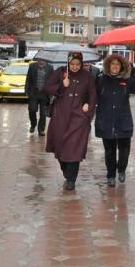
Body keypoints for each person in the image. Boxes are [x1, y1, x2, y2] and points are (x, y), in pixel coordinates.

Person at [45, 52, 98, 191]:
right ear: (68, 63)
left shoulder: (87, 77)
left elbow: (92, 95)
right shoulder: (60, 72)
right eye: (72, 64)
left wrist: (88, 106)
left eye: (78, 64)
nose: (75, 67)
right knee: (60, 146)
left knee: (75, 148)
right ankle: (65, 170)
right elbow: (48, 88)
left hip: (79, 118)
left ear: (81, 64)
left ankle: (71, 180)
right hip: (61, 116)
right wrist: (62, 85)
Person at [94, 54, 135, 187]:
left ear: (121, 67)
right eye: (112, 64)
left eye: (118, 64)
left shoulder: (127, 81)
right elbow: (91, 95)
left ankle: (121, 169)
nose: (115, 66)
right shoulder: (100, 80)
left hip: (123, 120)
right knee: (109, 150)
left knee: (124, 149)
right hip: (106, 119)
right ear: (108, 66)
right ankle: (111, 175)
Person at [25, 58, 54, 136]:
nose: (41, 62)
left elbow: (52, 81)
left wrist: (52, 93)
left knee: (43, 113)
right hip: (34, 93)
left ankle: (41, 129)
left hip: (45, 94)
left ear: (46, 61)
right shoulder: (32, 66)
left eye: (43, 60)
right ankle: (33, 124)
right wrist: (26, 91)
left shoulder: (50, 67)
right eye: (39, 60)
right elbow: (28, 79)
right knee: (32, 110)